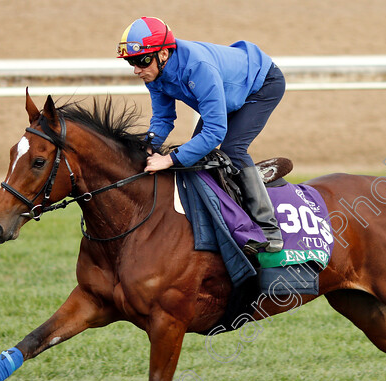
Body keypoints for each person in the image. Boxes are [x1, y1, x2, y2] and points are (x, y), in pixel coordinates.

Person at [117, 16, 286, 252]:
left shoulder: (197, 68)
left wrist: (168, 159)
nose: (136, 69)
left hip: (262, 84)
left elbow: (216, 132)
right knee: (200, 157)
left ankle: (268, 227)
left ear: (163, 54)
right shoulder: (154, 73)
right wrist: (148, 146)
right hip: (229, 94)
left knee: (231, 148)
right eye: (131, 62)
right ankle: (235, 191)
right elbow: (163, 119)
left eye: (141, 60)